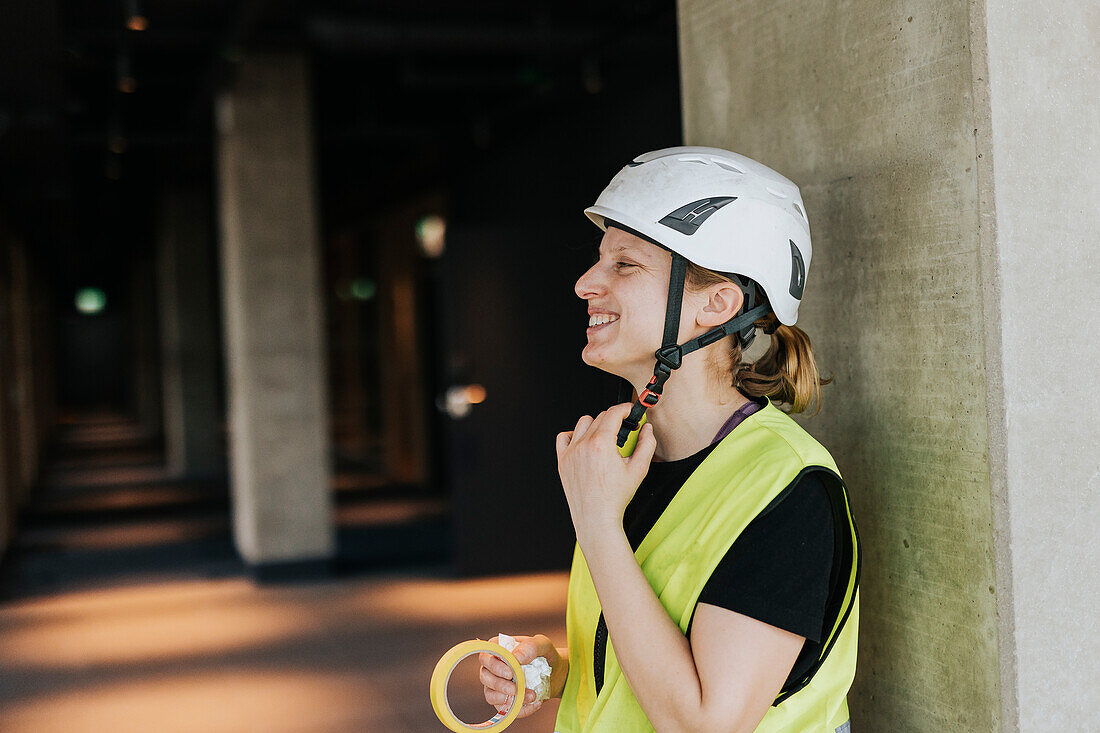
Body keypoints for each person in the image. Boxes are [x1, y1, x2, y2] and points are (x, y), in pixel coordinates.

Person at [479, 146, 860, 732]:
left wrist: (597, 523)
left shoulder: (787, 488)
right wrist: (557, 671)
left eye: (624, 264)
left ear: (717, 304)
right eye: (598, 260)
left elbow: (705, 724)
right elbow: (648, 659)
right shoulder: (629, 461)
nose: (585, 283)